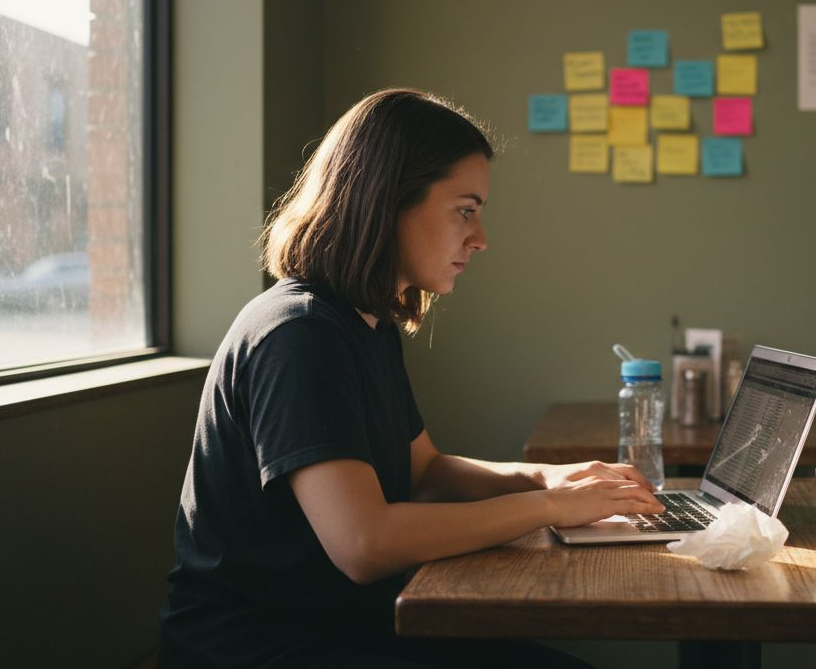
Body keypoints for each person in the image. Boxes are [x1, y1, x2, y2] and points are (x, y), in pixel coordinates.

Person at [158, 88, 665, 668]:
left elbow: (424, 472)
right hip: (261, 650)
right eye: (465, 210)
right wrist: (549, 507)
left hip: (344, 628)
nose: (481, 238)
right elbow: (364, 544)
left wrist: (550, 477)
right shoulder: (299, 335)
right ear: (389, 201)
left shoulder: (365, 325)